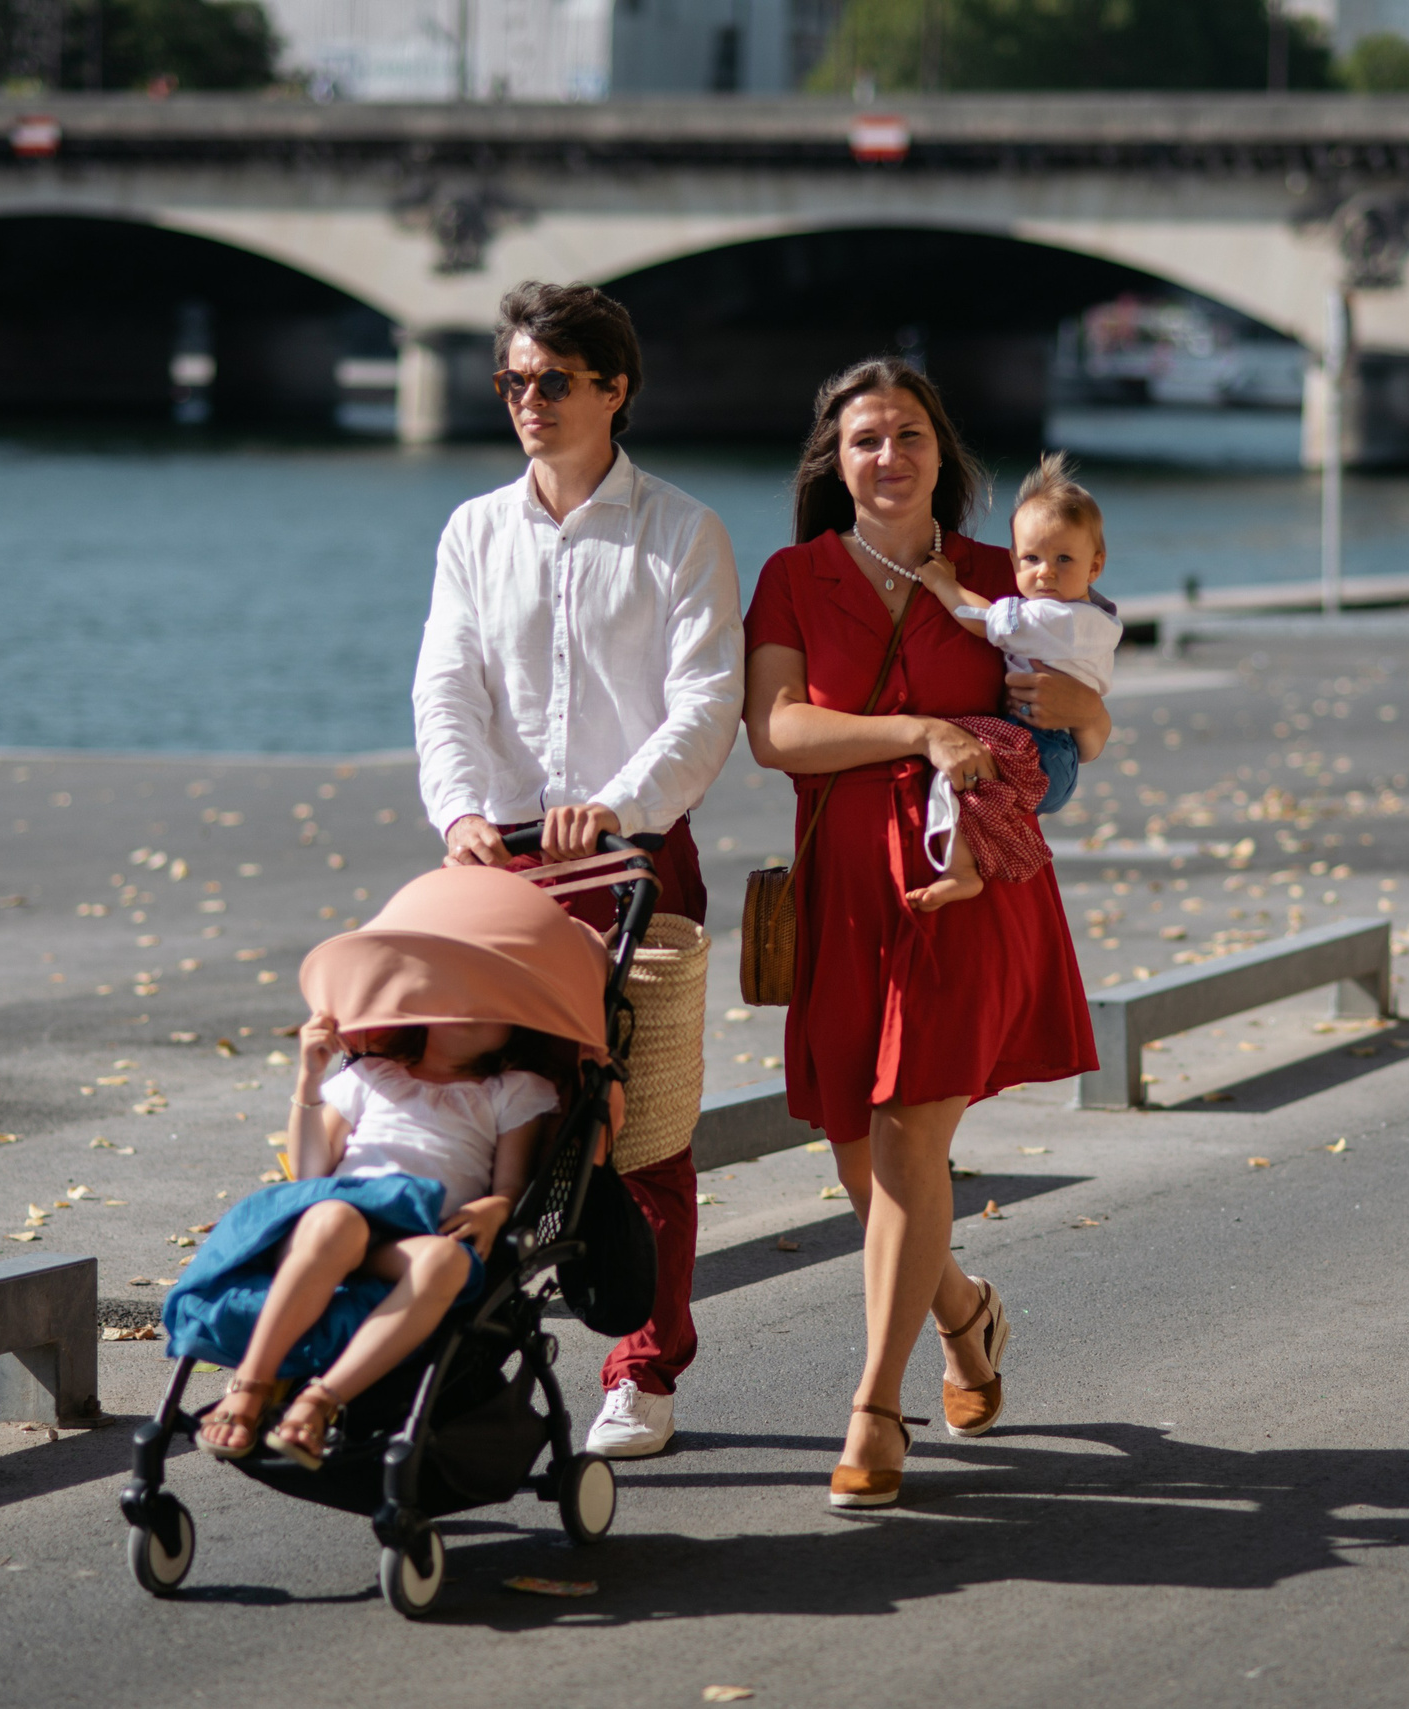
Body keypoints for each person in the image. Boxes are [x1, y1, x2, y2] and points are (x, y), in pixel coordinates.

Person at [741, 357, 1109, 1508]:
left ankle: (872, 1405)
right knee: (859, 1151)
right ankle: (963, 1308)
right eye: (864, 439)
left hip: (968, 890)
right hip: (848, 887)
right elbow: (779, 731)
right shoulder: (793, 575)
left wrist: (1091, 716)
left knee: (909, 1139)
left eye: (908, 434)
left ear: (942, 452)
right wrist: (921, 732)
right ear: (833, 461)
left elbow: (1075, 718)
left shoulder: (1012, 574)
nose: (888, 455)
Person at [411, 280, 743, 1460]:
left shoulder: (682, 532)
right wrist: (458, 810)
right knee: (476, 1111)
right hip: (496, 865)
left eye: (553, 380)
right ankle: (464, 1345)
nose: (528, 402)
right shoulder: (472, 531)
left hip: (635, 863)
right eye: (511, 381)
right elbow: (445, 685)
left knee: (637, 1124)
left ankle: (644, 1368)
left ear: (615, 389)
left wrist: (622, 808)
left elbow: (708, 700)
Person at [189, 1010, 563, 1468]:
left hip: (418, 1232)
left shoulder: (512, 1089)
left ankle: (320, 1400)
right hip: (334, 1223)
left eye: (485, 1005)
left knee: (446, 1261)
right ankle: (253, 1383)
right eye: (453, 999)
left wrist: (495, 1206)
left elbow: (510, 1185)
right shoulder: (372, 1074)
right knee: (337, 1221)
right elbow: (310, 1174)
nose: (466, 1012)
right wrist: (309, 1078)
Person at [905, 451, 1123, 908]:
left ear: (1094, 566)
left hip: (1044, 746)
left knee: (961, 762)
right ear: (1013, 560)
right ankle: (979, 860)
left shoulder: (1057, 618)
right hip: (1057, 749)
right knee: (970, 784)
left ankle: (964, 870)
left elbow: (987, 621)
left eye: (1064, 558)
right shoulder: (1091, 618)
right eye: (1031, 558)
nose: (1045, 572)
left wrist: (943, 583)